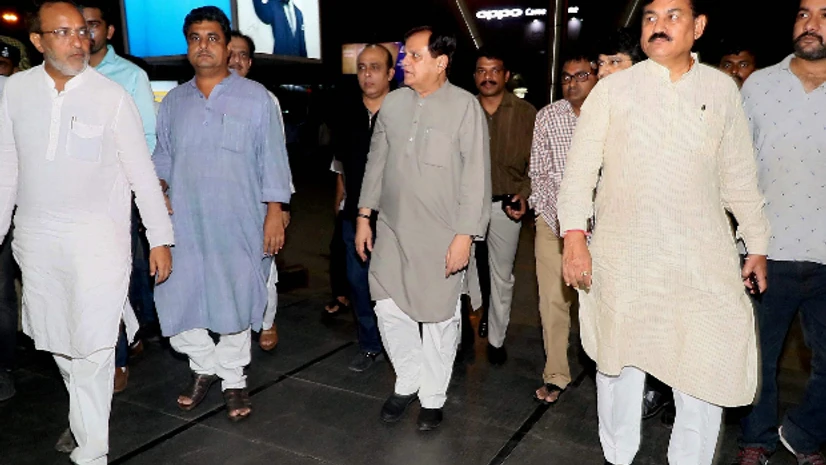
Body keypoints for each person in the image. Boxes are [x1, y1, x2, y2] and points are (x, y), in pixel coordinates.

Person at [557, 0, 772, 463]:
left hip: (699, 261)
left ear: (698, 27)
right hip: (623, 258)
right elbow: (578, 174)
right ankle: (618, 455)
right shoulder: (612, 92)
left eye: (673, 16)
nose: (658, 26)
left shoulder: (720, 90)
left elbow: (739, 177)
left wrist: (756, 244)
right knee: (619, 366)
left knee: (703, 367)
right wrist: (574, 239)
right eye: (650, 17)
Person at [0, 2, 174, 463]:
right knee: (58, 339)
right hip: (37, 241)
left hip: (100, 240)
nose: (80, 42)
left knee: (95, 342)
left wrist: (160, 238)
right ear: (37, 41)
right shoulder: (14, 92)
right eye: (65, 33)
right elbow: (5, 170)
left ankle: (92, 447)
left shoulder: (110, 95)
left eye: (83, 32)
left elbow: (141, 172)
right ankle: (86, 420)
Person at [153, 6, 292, 422]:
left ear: (227, 44)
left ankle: (232, 379)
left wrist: (274, 213)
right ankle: (205, 365)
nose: (204, 46)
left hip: (240, 221)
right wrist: (158, 190)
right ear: (187, 46)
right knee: (176, 303)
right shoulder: (174, 102)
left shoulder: (256, 99)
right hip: (186, 224)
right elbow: (162, 158)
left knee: (235, 302)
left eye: (212, 37)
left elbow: (273, 159)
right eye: (195, 38)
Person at [355, 25, 490, 431]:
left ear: (441, 62)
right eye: (404, 55)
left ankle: (432, 397)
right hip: (393, 230)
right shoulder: (393, 105)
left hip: (443, 233)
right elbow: (375, 163)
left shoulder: (466, 108)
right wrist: (364, 216)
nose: (404, 63)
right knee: (387, 306)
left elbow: (476, 178)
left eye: (413, 56)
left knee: (438, 319)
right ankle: (408, 380)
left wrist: (465, 235)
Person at [734, 1, 826, 464]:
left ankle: (805, 433)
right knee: (758, 359)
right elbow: (736, 169)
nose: (811, 23)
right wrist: (746, 241)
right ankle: (757, 438)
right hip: (766, 251)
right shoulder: (760, 85)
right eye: (803, 13)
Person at [80, 0, 159, 393]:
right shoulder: (59, 75)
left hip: (115, 197)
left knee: (115, 277)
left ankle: (119, 357)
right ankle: (131, 332)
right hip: (70, 199)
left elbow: (147, 138)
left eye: (92, 25)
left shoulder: (129, 77)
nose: (85, 34)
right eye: (79, 27)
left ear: (108, 31)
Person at [528, 52, 597, 404]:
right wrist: (545, 212)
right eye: (566, 77)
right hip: (553, 225)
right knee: (552, 301)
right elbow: (538, 172)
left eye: (581, 75)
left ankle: (609, 371)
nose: (572, 82)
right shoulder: (547, 116)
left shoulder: (610, 113)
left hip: (602, 228)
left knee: (597, 302)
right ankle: (556, 372)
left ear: (596, 76)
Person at [467, 46, 536, 365]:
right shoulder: (463, 109)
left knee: (502, 276)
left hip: (505, 206)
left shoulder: (526, 114)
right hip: (465, 205)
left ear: (506, 76)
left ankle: (496, 339)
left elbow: (536, 165)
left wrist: (524, 194)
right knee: (458, 272)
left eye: (495, 70)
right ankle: (461, 336)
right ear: (475, 76)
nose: (488, 77)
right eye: (482, 71)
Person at [228, 30, 293, 352]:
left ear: (250, 63)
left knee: (264, 269)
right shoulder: (201, 97)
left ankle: (267, 321)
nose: (235, 60)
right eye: (231, 53)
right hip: (219, 206)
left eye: (242, 55)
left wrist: (279, 207)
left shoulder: (265, 100)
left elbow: (277, 155)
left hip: (258, 204)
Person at [332, 44, 395, 372]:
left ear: (389, 73)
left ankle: (401, 346)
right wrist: (341, 201)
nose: (367, 74)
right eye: (362, 68)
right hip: (355, 217)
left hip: (396, 219)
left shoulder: (404, 112)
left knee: (396, 287)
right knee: (358, 282)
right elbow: (342, 162)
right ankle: (371, 344)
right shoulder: (347, 112)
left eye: (375, 67)